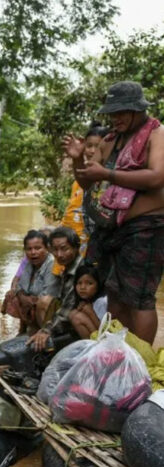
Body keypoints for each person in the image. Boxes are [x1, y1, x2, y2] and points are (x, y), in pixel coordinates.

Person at [63, 81, 164, 345]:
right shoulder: (111, 140)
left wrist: (108, 174)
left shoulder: (157, 134)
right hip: (112, 229)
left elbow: (157, 177)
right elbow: (87, 181)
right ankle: (118, 354)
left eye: (120, 113)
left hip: (147, 228)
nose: (115, 119)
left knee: (139, 298)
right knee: (115, 295)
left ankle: (142, 361)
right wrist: (77, 160)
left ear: (137, 110)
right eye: (112, 114)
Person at [27, 227, 83, 351]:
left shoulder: (80, 272)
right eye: (55, 249)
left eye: (64, 249)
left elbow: (68, 310)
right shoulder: (68, 268)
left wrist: (46, 331)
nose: (59, 254)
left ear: (76, 247)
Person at [61, 123, 110, 255]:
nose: (92, 151)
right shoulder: (80, 180)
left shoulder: (114, 174)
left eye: (98, 146)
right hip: (88, 245)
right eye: (89, 146)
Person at [2, 230, 59, 333]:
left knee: (41, 302)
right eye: (29, 249)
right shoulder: (28, 262)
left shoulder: (51, 264)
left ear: (46, 248)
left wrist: (29, 299)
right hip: (32, 298)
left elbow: (48, 294)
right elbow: (20, 284)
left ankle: (44, 331)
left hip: (49, 305)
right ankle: (24, 329)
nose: (33, 252)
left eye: (38, 248)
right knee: (11, 296)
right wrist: (21, 295)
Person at [68, 263, 107, 339]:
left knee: (77, 317)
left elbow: (107, 330)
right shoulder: (86, 301)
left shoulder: (102, 301)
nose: (82, 287)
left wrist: (90, 312)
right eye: (79, 283)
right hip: (99, 335)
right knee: (73, 314)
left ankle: (94, 347)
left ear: (98, 285)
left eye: (89, 283)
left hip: (108, 339)